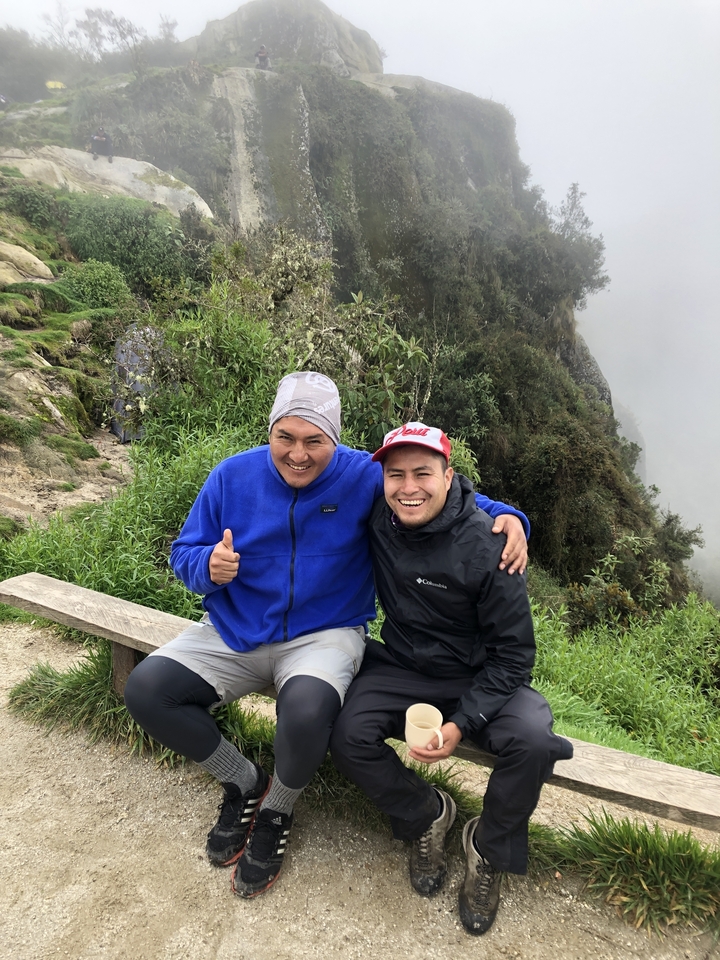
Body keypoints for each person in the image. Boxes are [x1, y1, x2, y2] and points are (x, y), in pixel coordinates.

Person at [123, 373, 529, 899]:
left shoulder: (362, 475)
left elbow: (434, 493)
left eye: (314, 440)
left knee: (307, 711)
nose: (298, 454)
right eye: (285, 438)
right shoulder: (232, 476)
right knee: (146, 691)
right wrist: (209, 567)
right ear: (270, 432)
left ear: (334, 440)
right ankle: (244, 782)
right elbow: (184, 553)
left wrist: (510, 517)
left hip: (325, 632)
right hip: (236, 627)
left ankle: (277, 808)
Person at [330, 422, 573, 935]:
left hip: (481, 674)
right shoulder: (379, 514)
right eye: (396, 475)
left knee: (533, 741)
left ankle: (487, 848)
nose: (408, 487)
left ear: (448, 477)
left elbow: (514, 655)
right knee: (347, 733)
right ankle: (426, 813)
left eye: (423, 473)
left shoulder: (491, 547)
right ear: (382, 480)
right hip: (405, 666)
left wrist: (462, 723)